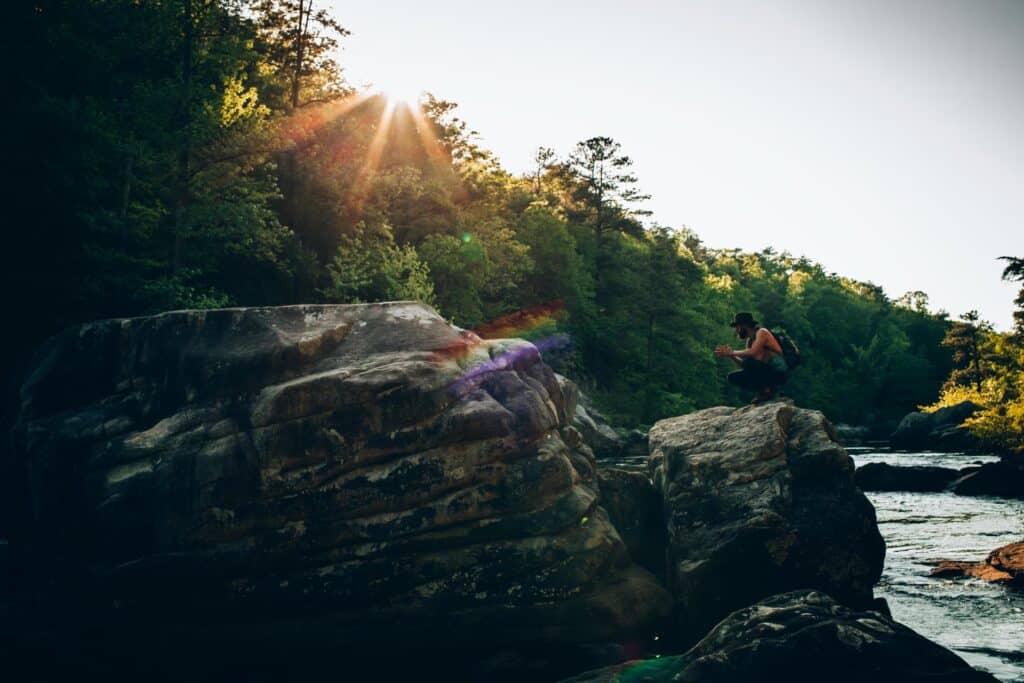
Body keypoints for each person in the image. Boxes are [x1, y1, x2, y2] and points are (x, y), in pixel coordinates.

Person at [714, 312, 788, 404]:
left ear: (744, 326)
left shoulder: (762, 332)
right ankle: (764, 391)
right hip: (765, 371)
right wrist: (731, 356)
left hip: (778, 372)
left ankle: (769, 390)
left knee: (749, 361)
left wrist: (732, 352)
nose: (736, 331)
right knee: (732, 377)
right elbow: (744, 365)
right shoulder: (750, 340)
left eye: (737, 327)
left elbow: (753, 352)